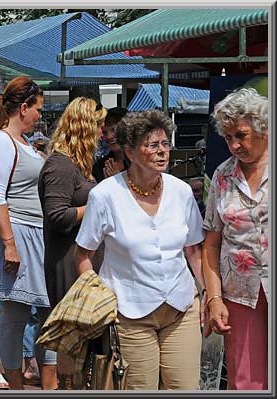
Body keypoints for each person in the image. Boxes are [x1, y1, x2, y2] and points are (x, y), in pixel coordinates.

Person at [75, 109, 206, 390]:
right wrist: (99, 299)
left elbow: (194, 251)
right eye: (152, 145)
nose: (162, 152)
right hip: (130, 311)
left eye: (164, 144)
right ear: (131, 153)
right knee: (140, 388)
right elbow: (83, 255)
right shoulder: (105, 195)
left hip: (181, 306)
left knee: (185, 387)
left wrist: (207, 295)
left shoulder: (181, 191)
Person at [0, 76, 57, 390]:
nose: (40, 115)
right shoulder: (1, 141)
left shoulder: (22, 143)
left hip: (35, 235)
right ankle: (16, 383)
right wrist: (10, 244)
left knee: (44, 311)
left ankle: (46, 380)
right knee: (14, 313)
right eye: (37, 108)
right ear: (23, 108)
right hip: (18, 235)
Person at [37, 98, 106, 385]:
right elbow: (57, 215)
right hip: (67, 261)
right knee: (73, 339)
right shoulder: (60, 166)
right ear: (85, 128)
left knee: (86, 339)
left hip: (81, 259)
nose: (103, 133)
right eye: (99, 126)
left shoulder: (77, 165)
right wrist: (99, 204)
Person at [202, 88, 268, 390]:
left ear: (262, 126)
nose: (234, 145)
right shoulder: (222, 175)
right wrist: (214, 299)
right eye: (228, 138)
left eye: (240, 135)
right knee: (246, 381)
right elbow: (211, 242)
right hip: (240, 293)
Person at [92, 107, 129, 182]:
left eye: (114, 130)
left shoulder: (140, 162)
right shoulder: (99, 166)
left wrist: (118, 179)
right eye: (104, 132)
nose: (109, 136)